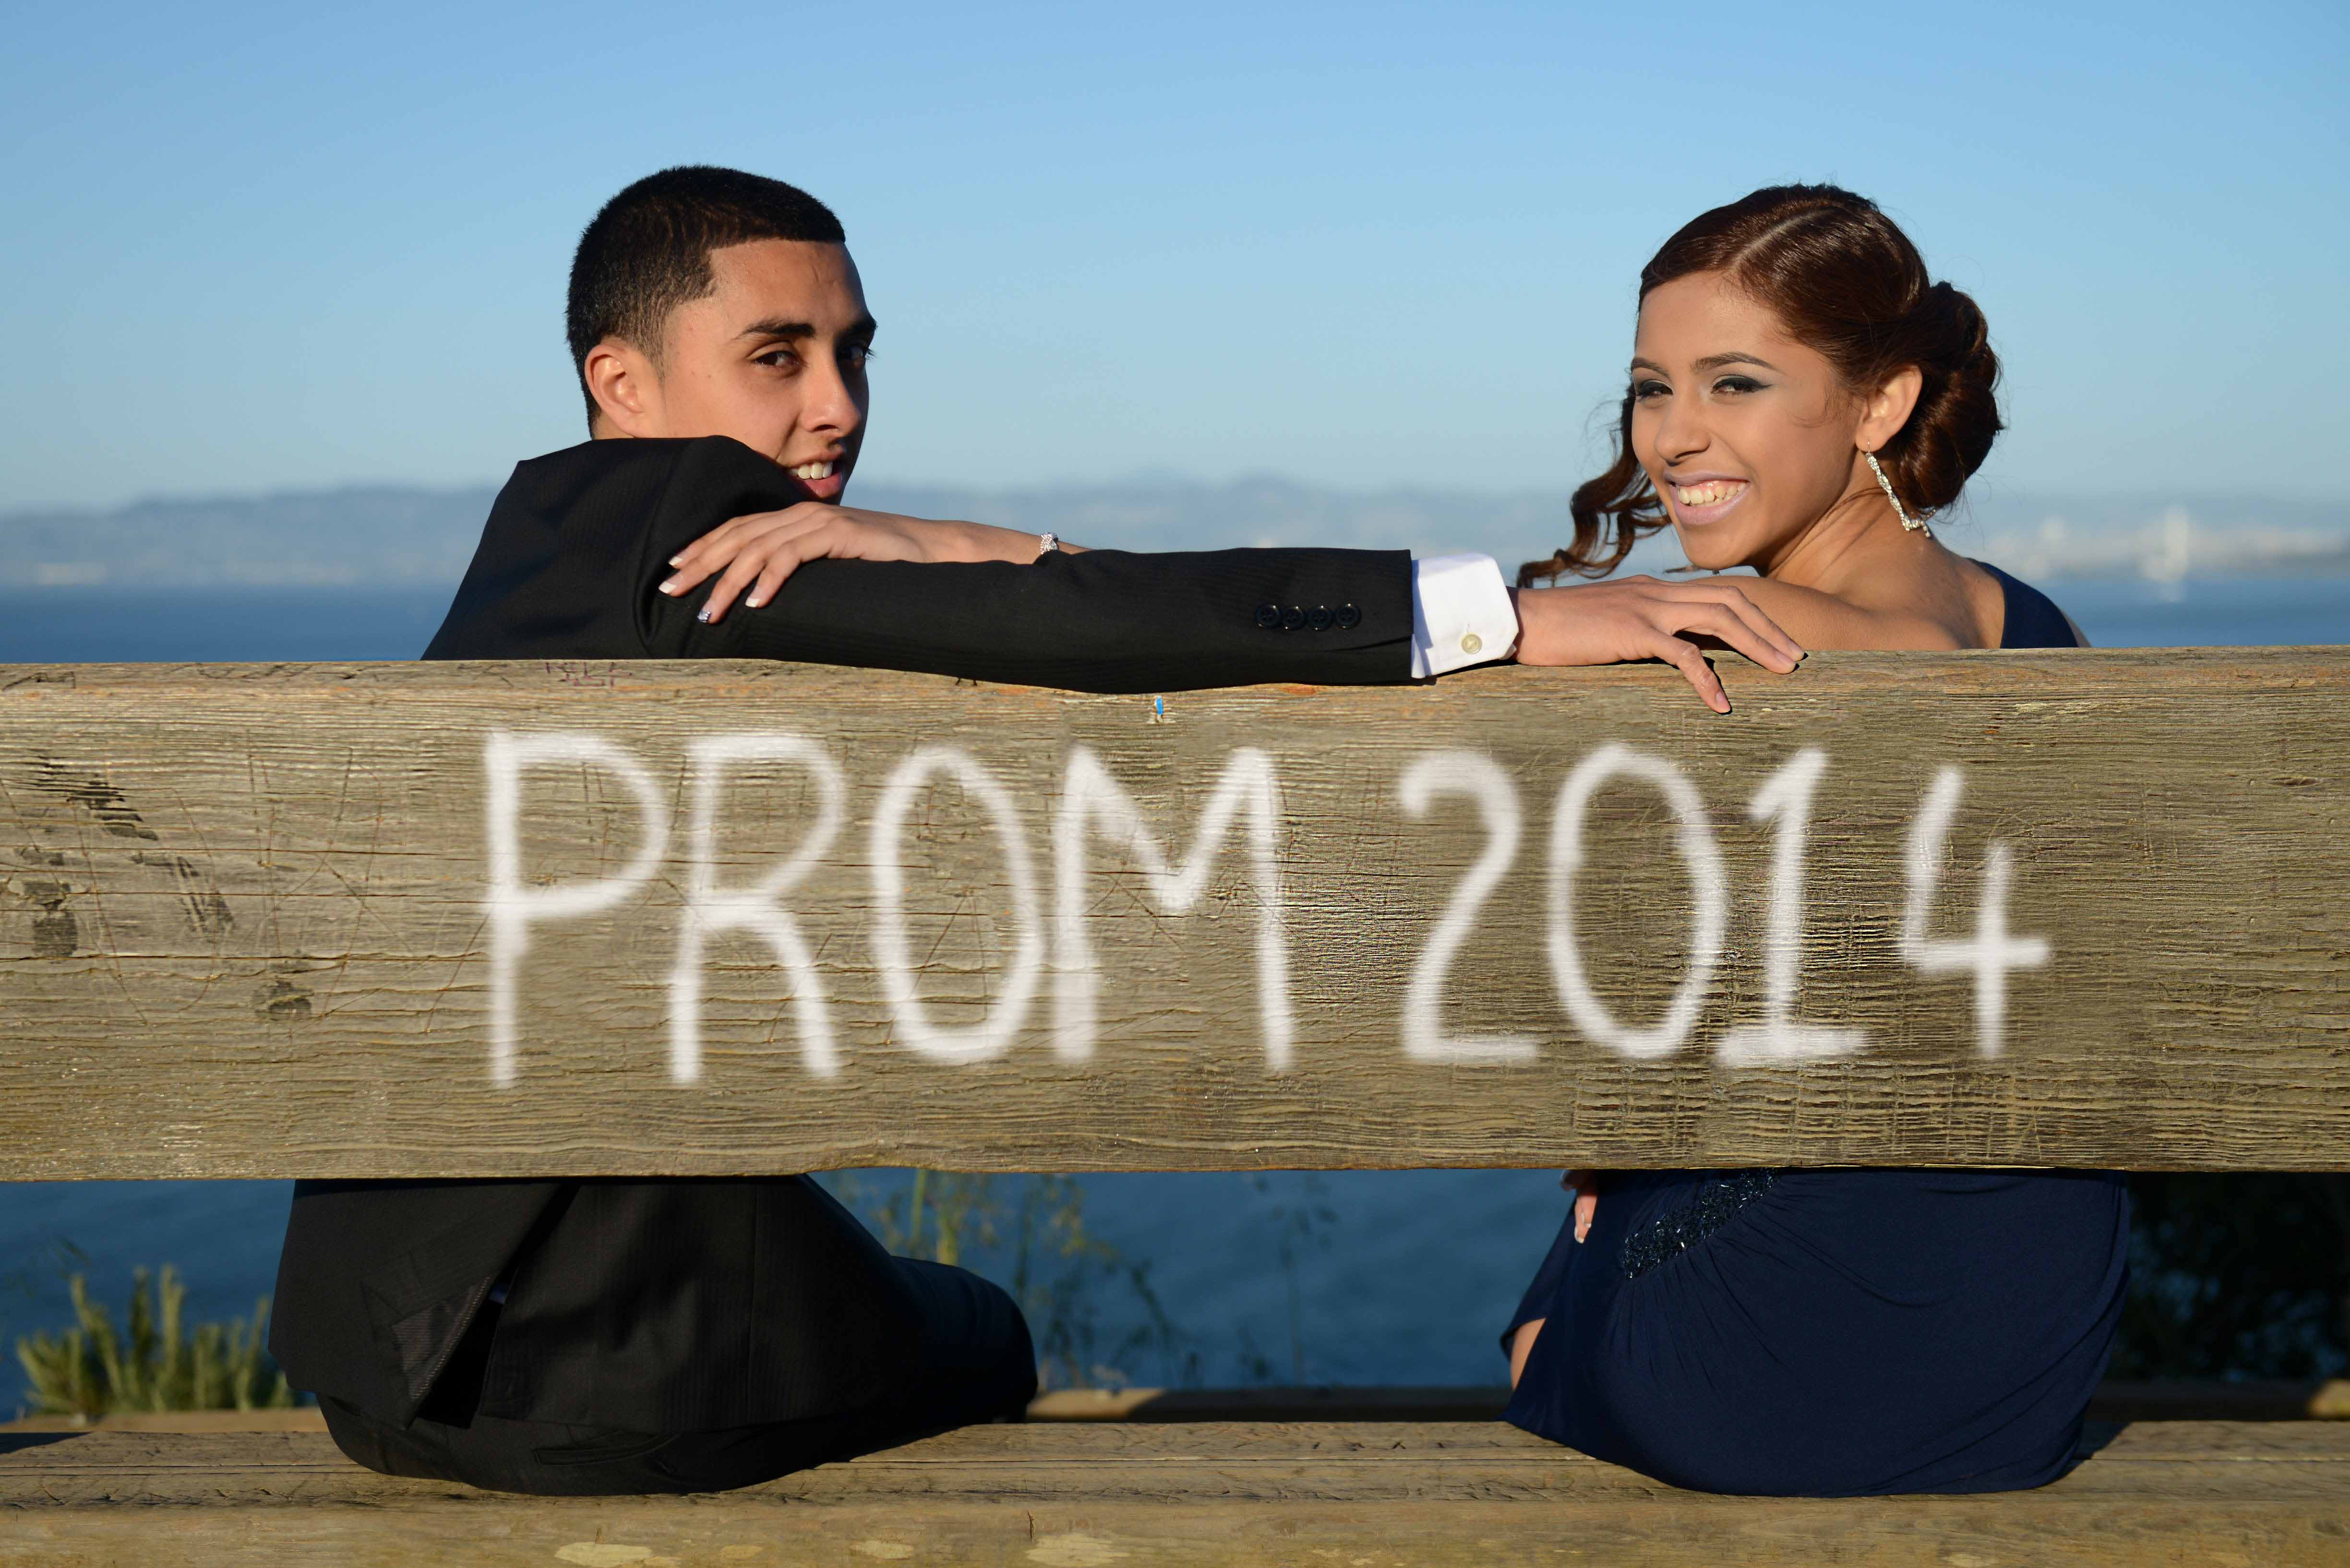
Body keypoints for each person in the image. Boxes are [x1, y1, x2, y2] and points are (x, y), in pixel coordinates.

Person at [272, 166, 1803, 1498]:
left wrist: (941, 543)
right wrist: (1508, 617)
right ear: (624, 382)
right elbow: (1094, 620)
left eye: (854, 352)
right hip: (612, 1373)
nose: (839, 406)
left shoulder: (552, 538)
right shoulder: (713, 545)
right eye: (776, 356)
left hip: (381, 1363)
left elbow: (1016, 592)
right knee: (983, 1327)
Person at [1496, 185, 2128, 1496]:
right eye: (1652, 389)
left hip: (1778, 1366)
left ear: (1883, 403)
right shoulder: (2033, 619)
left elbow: (1912, 672)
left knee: (1545, 1318)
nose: (1673, 438)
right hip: (2023, 1350)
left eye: (1734, 384)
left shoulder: (1748, 632)